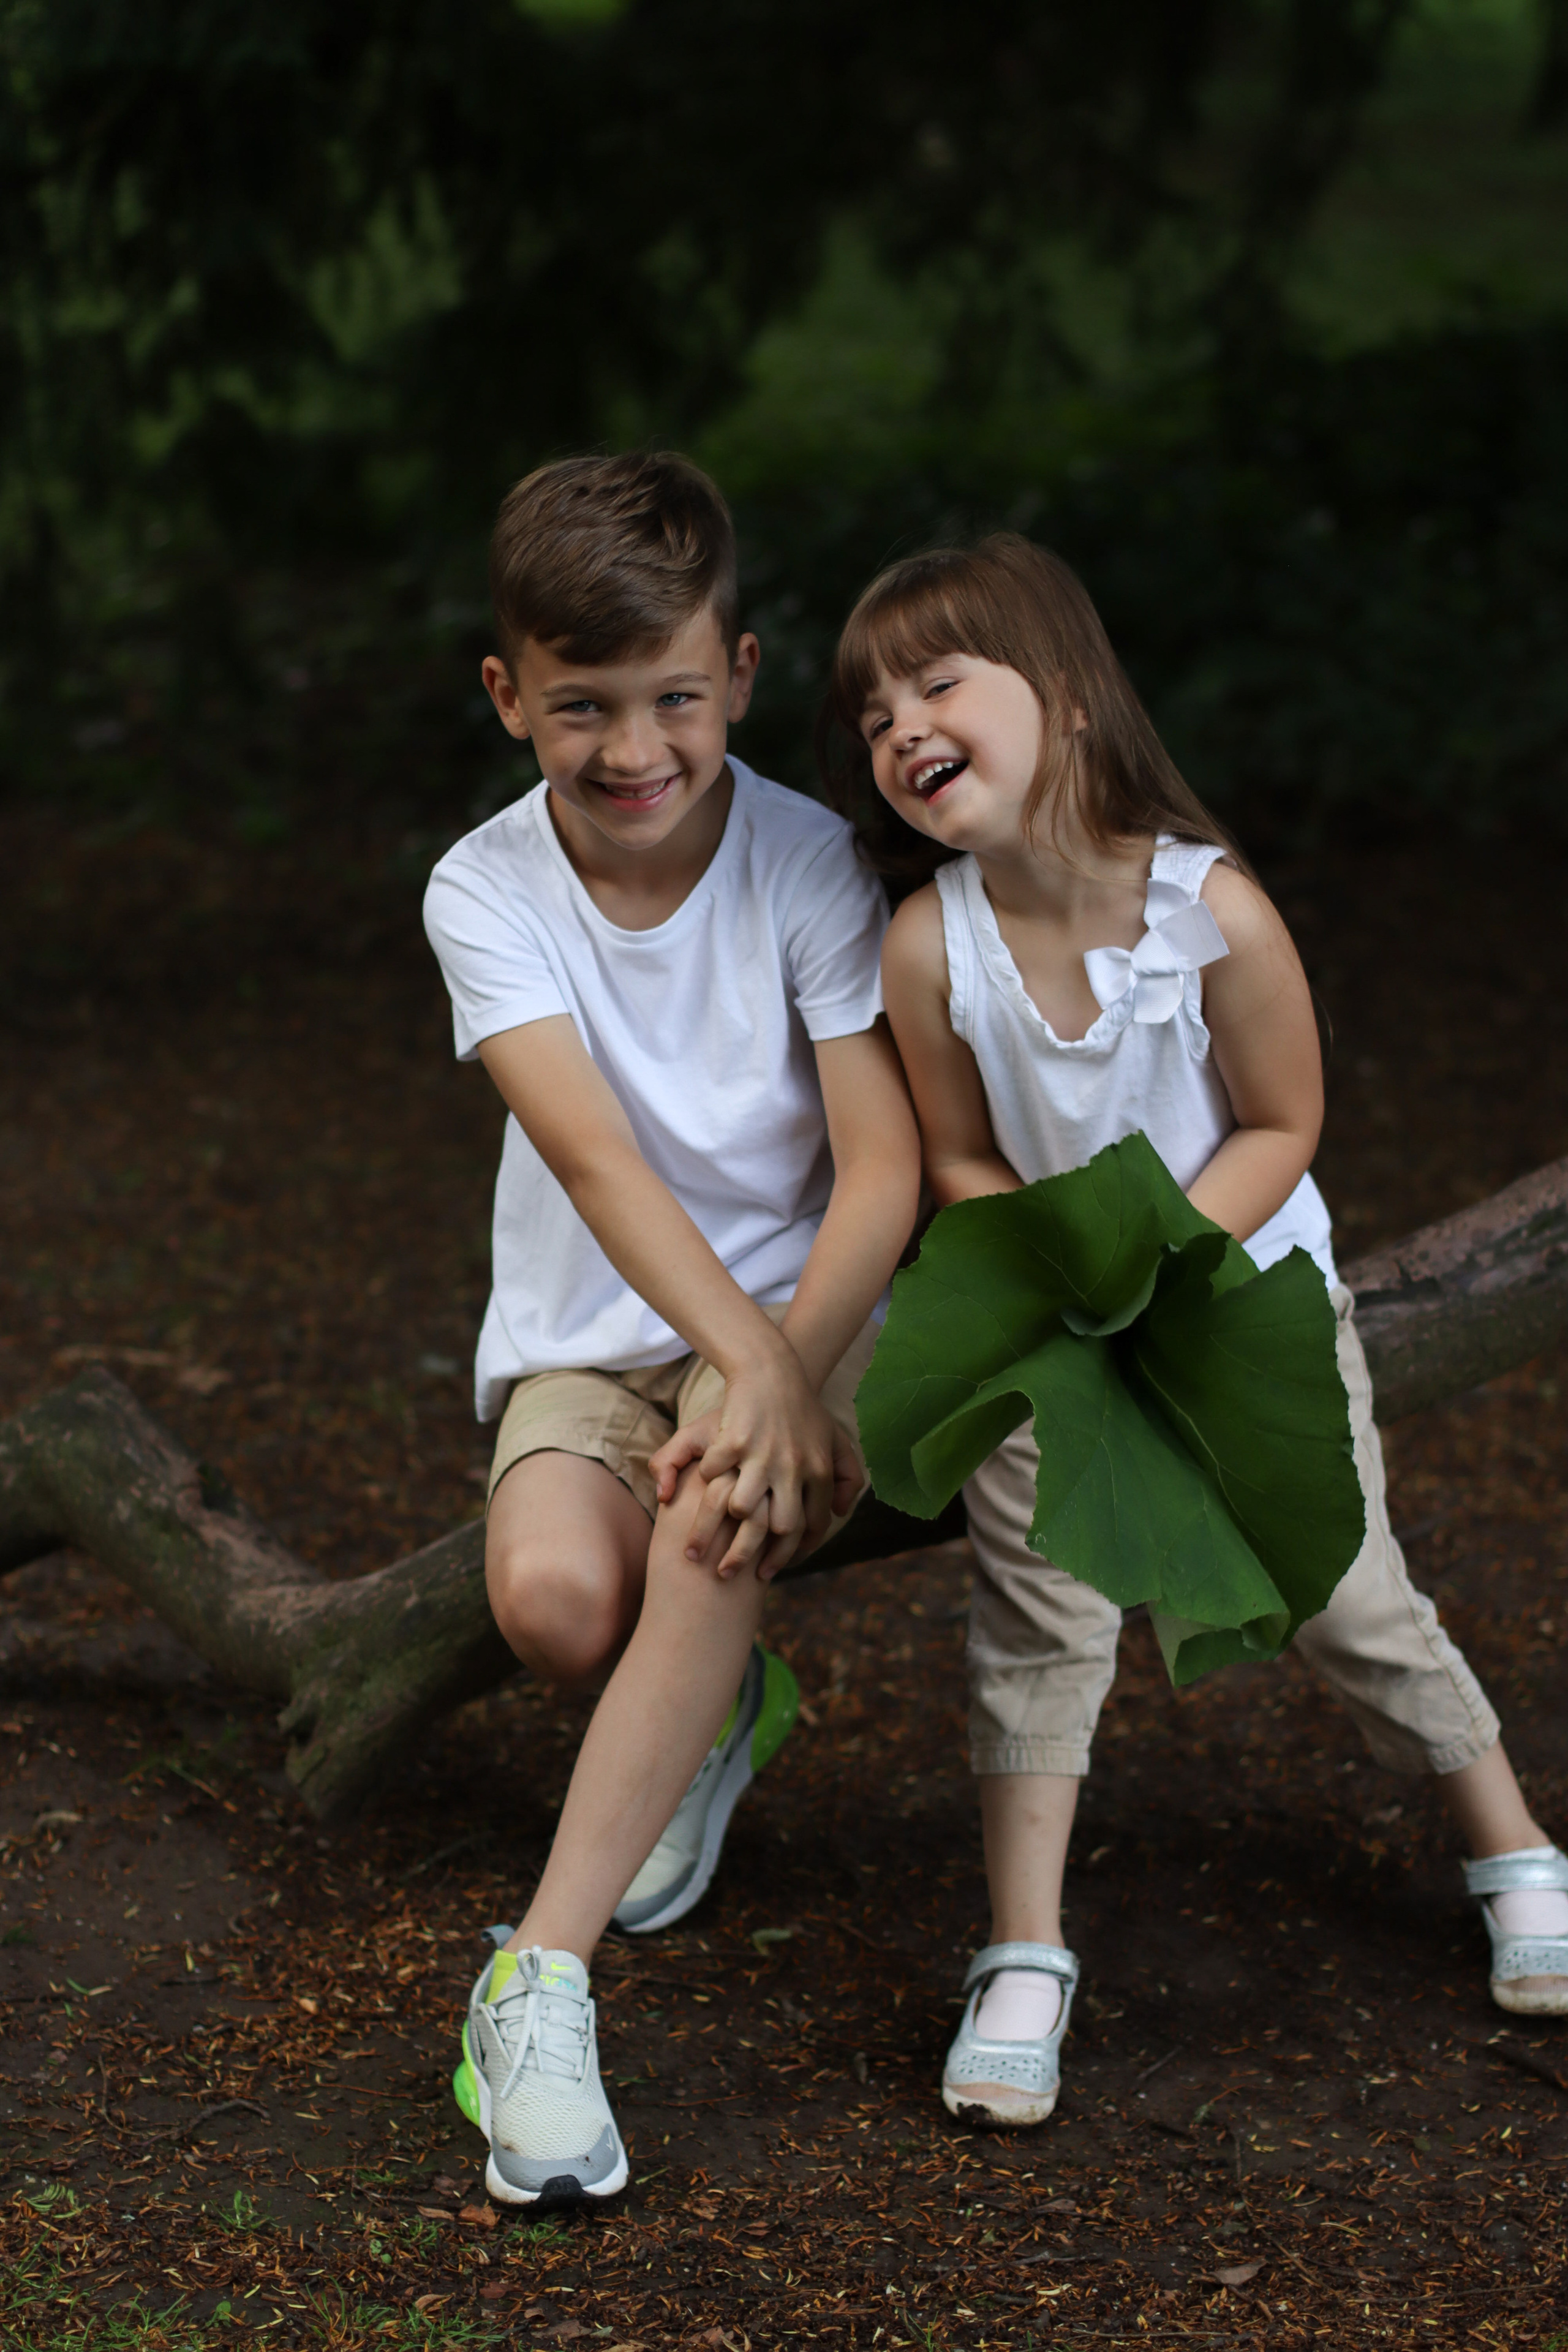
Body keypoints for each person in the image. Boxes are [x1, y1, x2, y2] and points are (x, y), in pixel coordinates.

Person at [821, 531, 1568, 2128]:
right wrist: (1057, 1270)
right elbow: (954, 1149)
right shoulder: (929, 944)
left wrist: (1163, 1258)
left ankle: (1511, 1843)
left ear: (1074, 698)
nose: (899, 728)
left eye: (938, 684)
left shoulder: (1207, 906)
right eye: (873, 714)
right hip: (1051, 1320)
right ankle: (1025, 1950)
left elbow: (1282, 1119)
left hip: (1235, 1298)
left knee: (1346, 1591)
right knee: (1040, 1616)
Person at [423, 452, 920, 2200]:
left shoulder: (804, 863)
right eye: (584, 709)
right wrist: (766, 1386)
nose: (635, 750)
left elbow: (880, 1166)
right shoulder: (484, 893)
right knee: (556, 1606)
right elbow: (601, 1164)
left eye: (675, 701)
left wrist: (783, 1364)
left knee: (711, 1515)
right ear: (509, 700)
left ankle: (536, 1982)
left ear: (744, 678)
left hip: (805, 1283)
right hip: (593, 1321)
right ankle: (714, 1713)